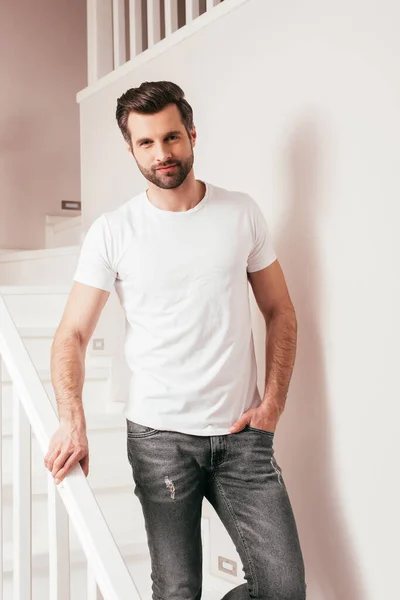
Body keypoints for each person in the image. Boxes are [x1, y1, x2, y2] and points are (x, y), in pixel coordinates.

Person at [44, 81, 306, 599]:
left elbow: (280, 310)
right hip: (160, 441)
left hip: (242, 437)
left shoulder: (241, 212)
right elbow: (71, 334)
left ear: (191, 134)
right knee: (178, 589)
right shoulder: (114, 231)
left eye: (171, 138)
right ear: (131, 149)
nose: (162, 154)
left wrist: (273, 401)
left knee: (283, 589)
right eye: (146, 143)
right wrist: (72, 420)